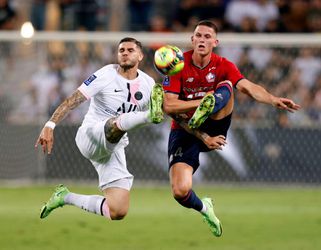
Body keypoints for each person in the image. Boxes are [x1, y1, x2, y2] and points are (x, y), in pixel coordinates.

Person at [161, 20, 301, 237]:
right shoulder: (177, 64)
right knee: (180, 191)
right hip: (186, 128)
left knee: (228, 85)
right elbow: (169, 106)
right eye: (198, 35)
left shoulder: (223, 65)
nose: (202, 40)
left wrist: (273, 99)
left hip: (216, 122)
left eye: (207, 37)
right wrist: (201, 118)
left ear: (215, 42)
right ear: (192, 39)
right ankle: (205, 208)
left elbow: (248, 87)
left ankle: (209, 107)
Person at [35, 37, 166, 221]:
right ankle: (148, 116)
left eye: (130, 50)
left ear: (140, 56)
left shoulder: (148, 84)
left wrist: (202, 134)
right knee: (116, 122)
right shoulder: (106, 74)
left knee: (117, 210)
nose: (125, 53)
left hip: (114, 147)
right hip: (90, 135)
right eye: (121, 50)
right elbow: (73, 99)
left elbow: (168, 111)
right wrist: (50, 124)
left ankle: (65, 197)